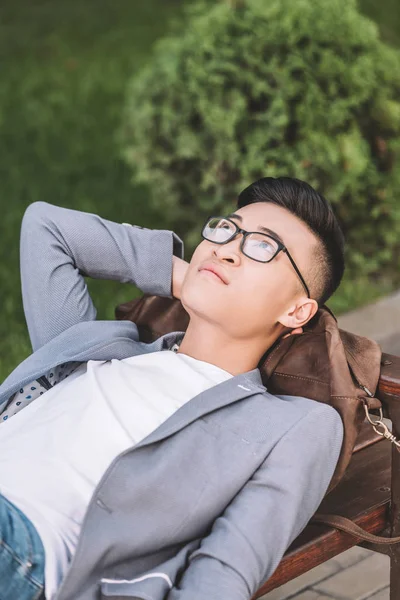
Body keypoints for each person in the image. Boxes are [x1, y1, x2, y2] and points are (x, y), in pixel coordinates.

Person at [0, 176, 345, 600]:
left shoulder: (292, 424)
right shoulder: (95, 347)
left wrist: (215, 281)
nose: (228, 249)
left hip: (24, 547)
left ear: (297, 310)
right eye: (227, 230)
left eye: (262, 247)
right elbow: (46, 227)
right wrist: (191, 278)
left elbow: (226, 569)